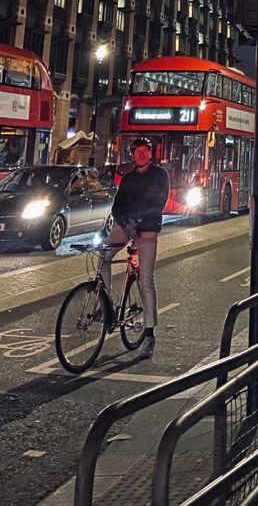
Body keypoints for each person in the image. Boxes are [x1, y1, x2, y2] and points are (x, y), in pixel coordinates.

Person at [102, 136, 170, 358]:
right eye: (137, 151)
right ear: (132, 155)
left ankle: (149, 333)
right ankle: (106, 302)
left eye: (144, 151)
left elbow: (159, 202)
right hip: (126, 225)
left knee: (146, 279)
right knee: (104, 255)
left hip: (148, 228)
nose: (140, 154)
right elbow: (117, 205)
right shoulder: (129, 178)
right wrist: (125, 222)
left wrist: (139, 222)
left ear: (150, 153)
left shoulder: (160, 175)